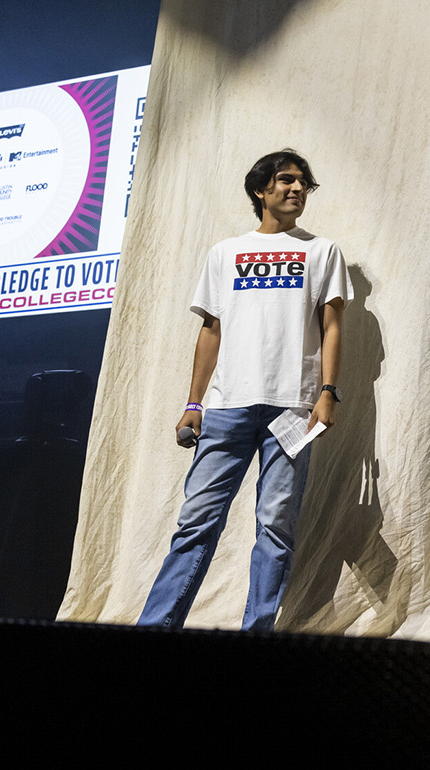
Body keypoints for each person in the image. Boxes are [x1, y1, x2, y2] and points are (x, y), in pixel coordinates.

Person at [139, 149, 352, 631]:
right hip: (226, 406)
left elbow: (332, 326)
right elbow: (211, 330)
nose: (296, 189)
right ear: (260, 189)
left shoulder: (322, 251)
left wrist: (328, 392)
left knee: (276, 527)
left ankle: (256, 633)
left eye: (303, 182)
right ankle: (154, 629)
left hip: (293, 408)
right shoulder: (225, 252)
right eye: (286, 180)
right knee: (196, 523)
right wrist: (193, 403)